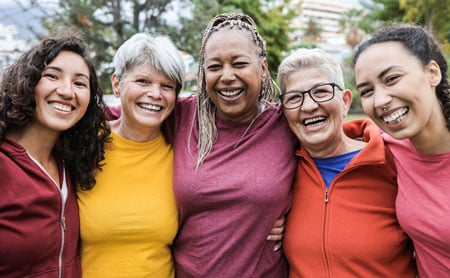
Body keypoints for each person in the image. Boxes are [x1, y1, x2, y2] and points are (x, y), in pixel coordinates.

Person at [165, 13, 297, 277]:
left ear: (262, 68)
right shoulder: (181, 118)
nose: (226, 76)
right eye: (214, 67)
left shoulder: (286, 122)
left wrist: (296, 219)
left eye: (239, 63)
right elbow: (116, 120)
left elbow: (334, 147)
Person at [278, 48, 416, 277]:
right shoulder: (281, 173)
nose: (309, 105)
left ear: (345, 101)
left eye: (321, 92)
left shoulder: (396, 161)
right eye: (294, 98)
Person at [0, 30, 110, 277]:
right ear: (27, 82)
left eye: (80, 83)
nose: (67, 91)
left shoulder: (69, 162)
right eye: (52, 76)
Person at [77, 33, 185, 277]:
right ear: (117, 84)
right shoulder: (83, 145)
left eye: (167, 86)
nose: (156, 94)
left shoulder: (182, 157)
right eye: (143, 81)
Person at [354, 24, 450, 276]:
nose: (380, 100)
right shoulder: (387, 148)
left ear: (432, 73)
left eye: (392, 79)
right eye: (367, 91)